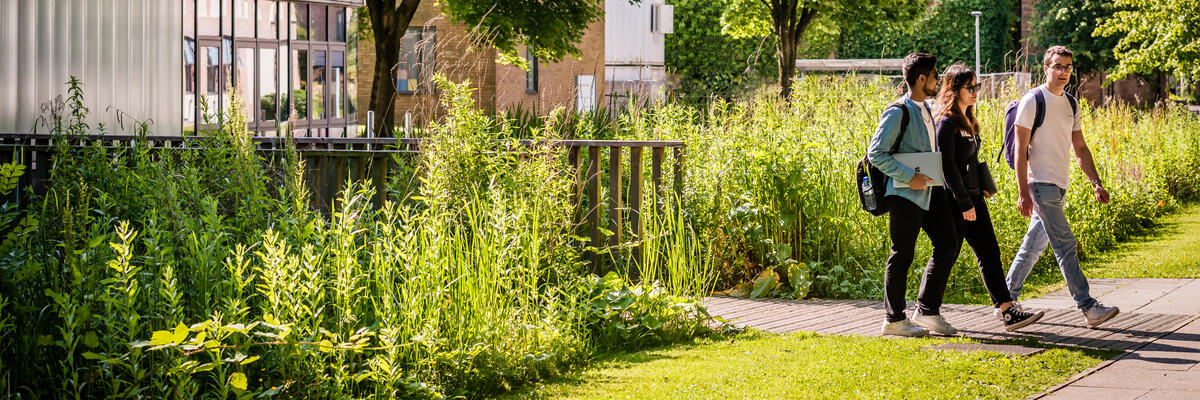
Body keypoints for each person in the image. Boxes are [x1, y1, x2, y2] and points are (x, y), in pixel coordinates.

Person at [1006, 46, 1120, 328]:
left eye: (1068, 67)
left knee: (1032, 247)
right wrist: (1023, 191)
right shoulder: (1033, 100)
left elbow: (1080, 148)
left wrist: (1096, 182)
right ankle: (1088, 306)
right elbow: (1021, 151)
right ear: (1046, 69)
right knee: (1065, 244)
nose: (1063, 72)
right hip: (1040, 184)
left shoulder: (1071, 103)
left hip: (1059, 186)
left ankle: (1004, 301)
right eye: (1057, 66)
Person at [934, 63, 1044, 332]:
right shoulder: (945, 122)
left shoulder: (968, 120)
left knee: (989, 252)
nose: (975, 92)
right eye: (970, 88)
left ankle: (1006, 309)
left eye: (977, 87)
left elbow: (969, 162)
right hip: (957, 201)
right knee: (947, 254)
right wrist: (964, 203)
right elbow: (947, 166)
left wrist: (981, 186)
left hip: (974, 197)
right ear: (954, 89)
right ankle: (925, 308)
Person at [868, 52, 961, 337]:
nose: (938, 80)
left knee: (949, 242)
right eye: (935, 75)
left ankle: (928, 311)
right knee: (902, 255)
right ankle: (894, 320)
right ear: (921, 79)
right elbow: (876, 154)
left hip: (931, 193)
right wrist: (910, 177)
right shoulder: (899, 111)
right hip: (905, 194)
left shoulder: (927, 108)